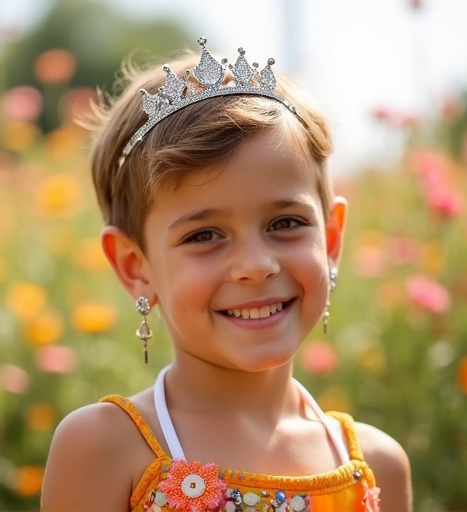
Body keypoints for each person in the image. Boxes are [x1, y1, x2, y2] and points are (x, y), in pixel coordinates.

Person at [40, 37, 412, 512]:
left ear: (332, 239)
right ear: (135, 267)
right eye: (203, 235)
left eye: (286, 224)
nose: (256, 266)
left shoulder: (376, 465)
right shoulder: (106, 447)